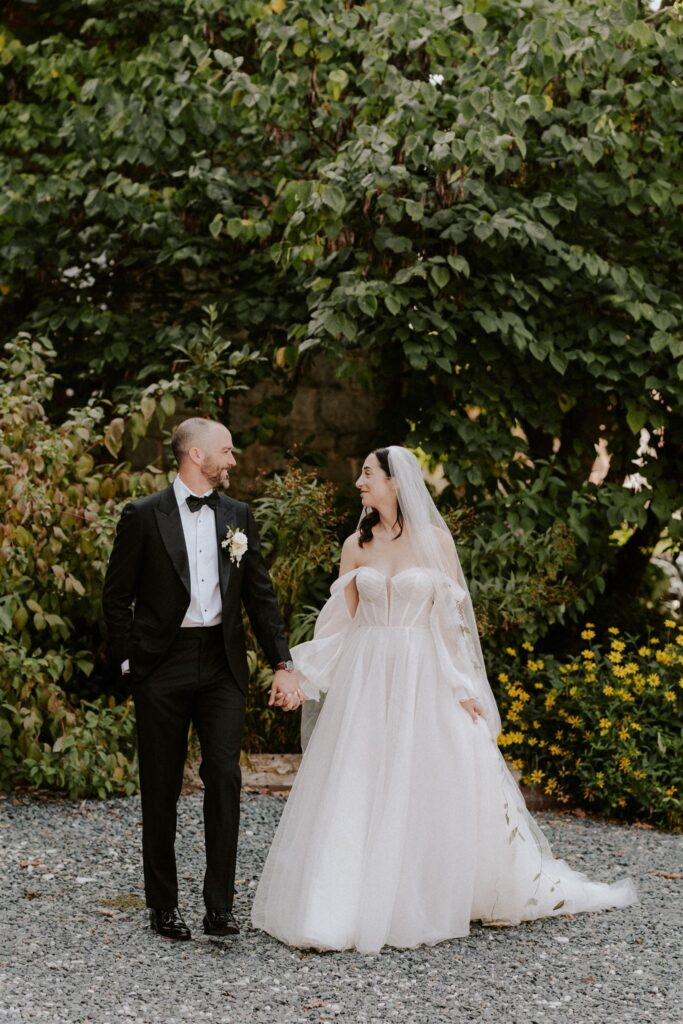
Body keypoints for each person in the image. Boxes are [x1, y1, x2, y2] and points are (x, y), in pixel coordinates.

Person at [253, 446, 636, 953]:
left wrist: (464, 688)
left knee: (425, 777)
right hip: (368, 675)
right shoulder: (355, 545)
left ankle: (423, 894)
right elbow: (339, 626)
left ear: (395, 483)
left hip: (423, 673)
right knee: (361, 777)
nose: (360, 483)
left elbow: (451, 626)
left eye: (368, 474)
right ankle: (338, 905)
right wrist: (302, 675)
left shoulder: (435, 541)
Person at [102, 417, 302, 941]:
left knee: (224, 779)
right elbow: (114, 596)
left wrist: (282, 661)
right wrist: (130, 663)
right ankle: (163, 906)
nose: (233, 461)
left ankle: (220, 908)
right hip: (160, 667)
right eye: (227, 452)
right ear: (196, 456)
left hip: (221, 664)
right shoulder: (143, 515)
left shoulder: (237, 515)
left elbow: (260, 595)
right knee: (161, 786)